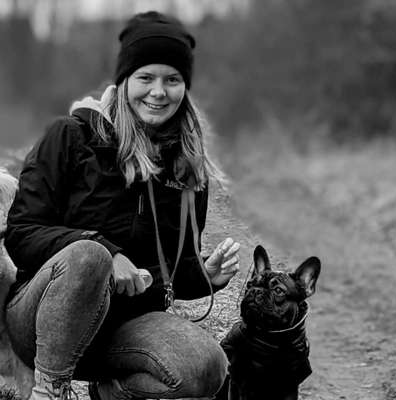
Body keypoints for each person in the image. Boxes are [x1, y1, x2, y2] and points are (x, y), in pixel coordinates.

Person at [4, 10, 240, 400]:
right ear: (125, 80)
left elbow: (170, 276)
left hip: (123, 331)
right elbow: (22, 233)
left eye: (173, 80)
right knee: (89, 256)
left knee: (206, 367)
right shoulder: (70, 137)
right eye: (145, 78)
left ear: (185, 87)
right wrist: (108, 254)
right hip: (41, 325)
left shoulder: (185, 168)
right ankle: (50, 390)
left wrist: (204, 276)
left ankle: (110, 392)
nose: (159, 92)